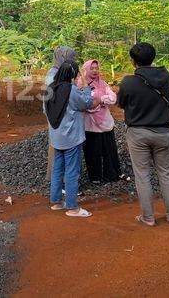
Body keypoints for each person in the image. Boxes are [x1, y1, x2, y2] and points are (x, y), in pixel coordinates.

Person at [117, 42, 169, 227]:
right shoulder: (166, 76)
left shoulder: (128, 81)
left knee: (143, 175)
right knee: (166, 174)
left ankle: (148, 217)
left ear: (133, 61)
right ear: (153, 58)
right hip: (163, 131)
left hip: (138, 133)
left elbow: (121, 103)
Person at [44, 61, 99, 217]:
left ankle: (56, 202)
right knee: (72, 172)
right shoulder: (72, 90)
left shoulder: (50, 88)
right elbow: (87, 103)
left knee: (57, 169)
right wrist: (86, 87)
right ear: (73, 75)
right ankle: (72, 207)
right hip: (71, 137)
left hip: (56, 136)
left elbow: (45, 110)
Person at [81, 60, 128, 184]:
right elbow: (86, 105)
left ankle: (112, 174)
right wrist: (101, 100)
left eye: (97, 68)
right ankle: (95, 177)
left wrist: (100, 100)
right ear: (85, 70)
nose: (95, 71)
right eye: (92, 68)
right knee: (92, 151)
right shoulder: (81, 84)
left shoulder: (102, 83)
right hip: (90, 124)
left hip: (106, 123)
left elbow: (113, 98)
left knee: (109, 149)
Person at [45, 47, 76, 181]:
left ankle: (57, 178)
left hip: (60, 112)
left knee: (59, 146)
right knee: (58, 148)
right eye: (70, 58)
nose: (71, 61)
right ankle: (59, 178)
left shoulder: (56, 72)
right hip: (57, 114)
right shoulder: (53, 74)